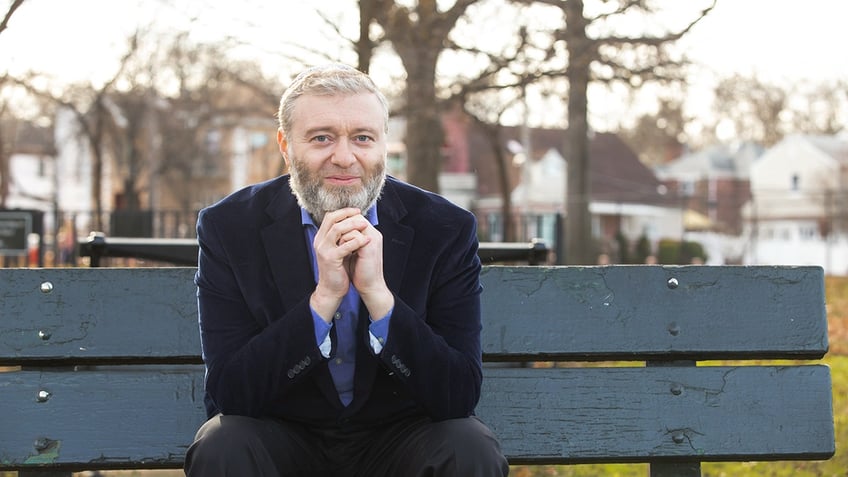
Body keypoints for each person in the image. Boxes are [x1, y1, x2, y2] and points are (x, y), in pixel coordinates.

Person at [184, 63, 509, 477]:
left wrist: (379, 297)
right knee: (222, 444)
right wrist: (322, 302)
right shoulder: (230, 228)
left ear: (384, 145)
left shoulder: (444, 228)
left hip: (399, 441)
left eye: (362, 138)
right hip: (285, 438)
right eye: (322, 138)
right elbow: (230, 393)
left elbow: (458, 394)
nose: (344, 156)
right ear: (285, 145)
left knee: (469, 446)